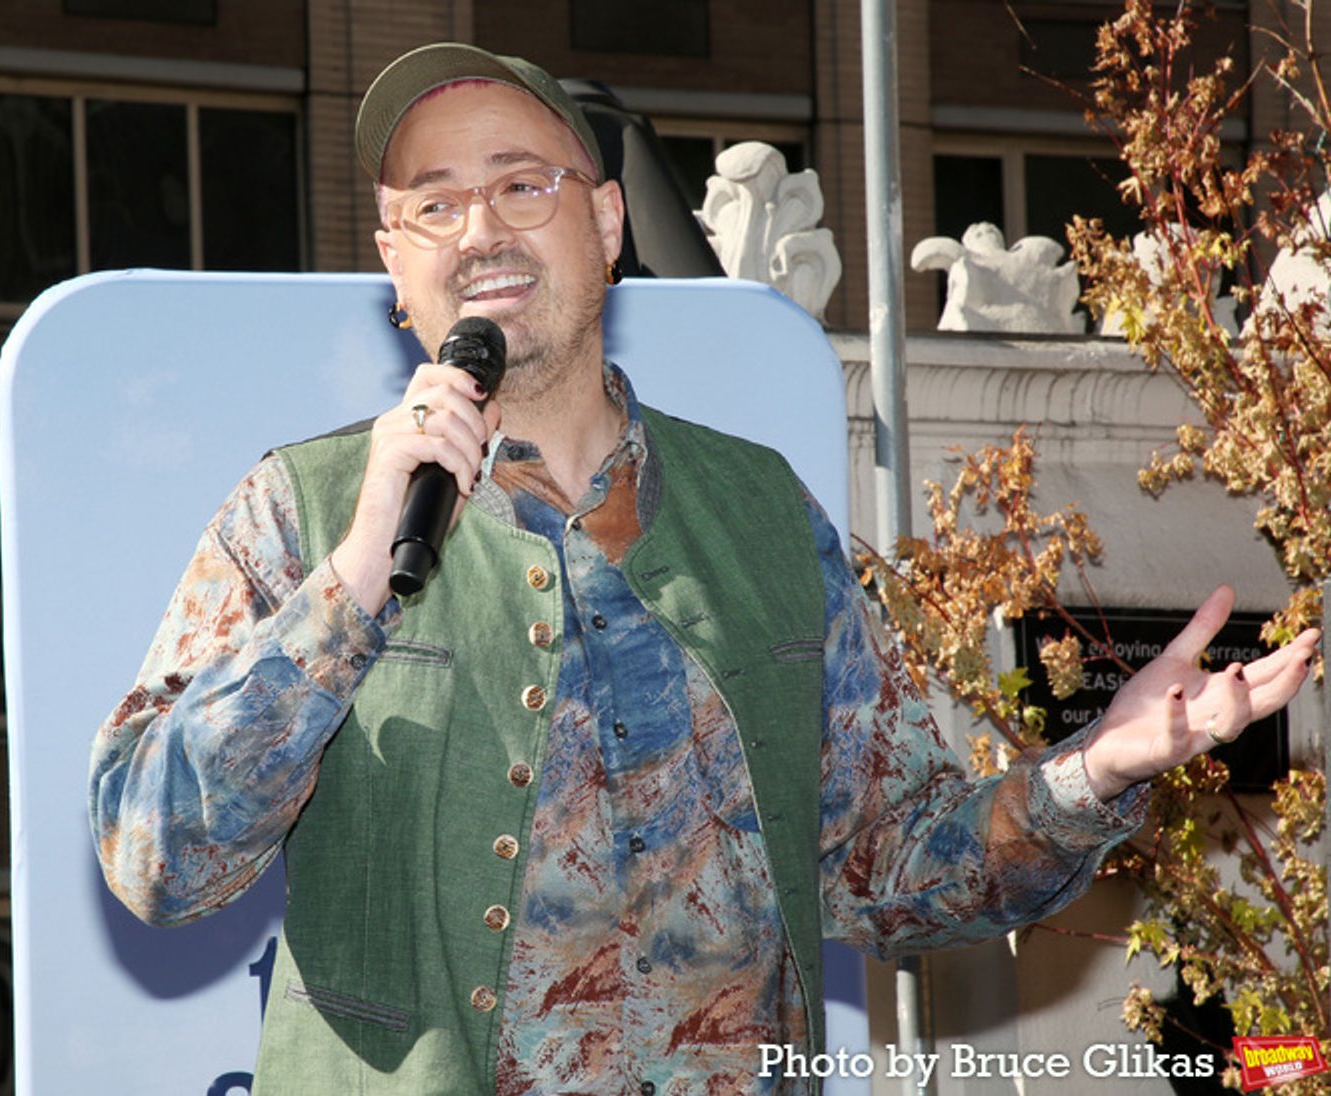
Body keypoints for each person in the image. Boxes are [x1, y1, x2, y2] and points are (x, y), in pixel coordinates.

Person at [87, 42, 1320, 1096]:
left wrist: (1090, 769)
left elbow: (887, 862)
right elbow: (157, 859)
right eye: (433, 203)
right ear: (392, 264)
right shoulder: (301, 512)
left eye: (522, 185)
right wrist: (356, 575)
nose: (479, 231)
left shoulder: (761, 511)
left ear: (608, 222)